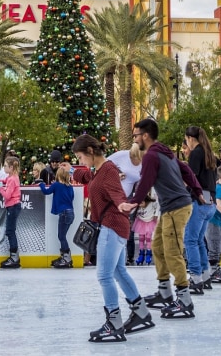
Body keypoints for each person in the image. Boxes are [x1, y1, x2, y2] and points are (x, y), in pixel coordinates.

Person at [73, 135, 154, 342]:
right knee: (118, 271)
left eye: (81, 157)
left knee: (104, 275)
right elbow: (93, 182)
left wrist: (121, 204)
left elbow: (117, 193)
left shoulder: (108, 169)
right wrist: (74, 172)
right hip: (114, 226)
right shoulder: (99, 170)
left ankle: (114, 323)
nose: (81, 161)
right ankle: (141, 312)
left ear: (91, 151)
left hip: (112, 226)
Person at [124, 118, 202, 319]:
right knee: (158, 247)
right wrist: (198, 191)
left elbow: (145, 181)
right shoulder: (163, 151)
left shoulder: (152, 155)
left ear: (145, 136)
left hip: (177, 207)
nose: (135, 140)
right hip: (170, 208)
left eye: (135, 136)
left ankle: (185, 300)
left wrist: (134, 201)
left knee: (172, 251)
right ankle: (165, 292)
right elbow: (185, 169)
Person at [184, 126, 218, 293]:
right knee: (198, 241)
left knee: (190, 240)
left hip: (199, 202)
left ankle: (196, 279)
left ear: (191, 138)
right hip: (210, 203)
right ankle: (205, 276)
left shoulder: (196, 153)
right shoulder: (208, 152)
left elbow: (191, 178)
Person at [107, 143, 143, 265]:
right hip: (113, 196)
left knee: (127, 228)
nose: (135, 161)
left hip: (129, 198)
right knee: (114, 227)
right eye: (133, 159)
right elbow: (103, 166)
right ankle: (114, 256)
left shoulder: (144, 162)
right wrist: (116, 175)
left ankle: (126, 257)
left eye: (137, 159)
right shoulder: (122, 156)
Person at [39, 166, 75, 268]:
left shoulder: (56, 185)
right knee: (62, 236)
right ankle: (64, 256)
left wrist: (41, 184)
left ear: (58, 175)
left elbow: (46, 191)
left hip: (63, 213)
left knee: (61, 236)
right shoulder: (70, 186)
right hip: (71, 213)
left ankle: (67, 258)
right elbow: (72, 198)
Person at [0, 156, 22, 269]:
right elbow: (4, 180)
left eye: (6, 166)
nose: (4, 168)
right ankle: (14, 256)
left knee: (10, 231)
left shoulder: (12, 179)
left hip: (13, 206)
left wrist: (0, 188)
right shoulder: (12, 177)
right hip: (12, 206)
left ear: (11, 167)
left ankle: (14, 257)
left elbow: (7, 195)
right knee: (10, 231)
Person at [133, 190, 158, 266]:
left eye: (142, 203)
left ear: (146, 201)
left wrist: (156, 214)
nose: (140, 205)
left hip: (149, 222)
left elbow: (157, 206)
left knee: (148, 238)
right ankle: (141, 253)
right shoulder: (138, 205)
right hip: (141, 222)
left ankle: (149, 253)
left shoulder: (152, 203)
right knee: (141, 238)